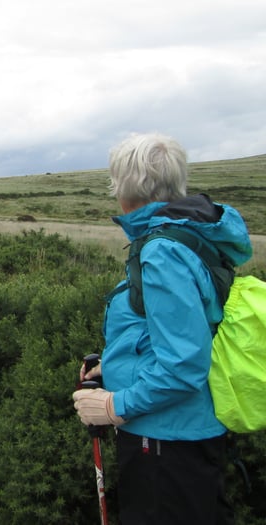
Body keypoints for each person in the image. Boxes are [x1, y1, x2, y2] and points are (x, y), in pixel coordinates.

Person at [72, 133, 253, 524]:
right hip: (182, 437)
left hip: (166, 444)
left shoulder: (162, 252)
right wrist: (114, 364)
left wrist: (111, 406)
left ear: (124, 187)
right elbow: (180, 332)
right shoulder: (187, 238)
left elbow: (183, 365)